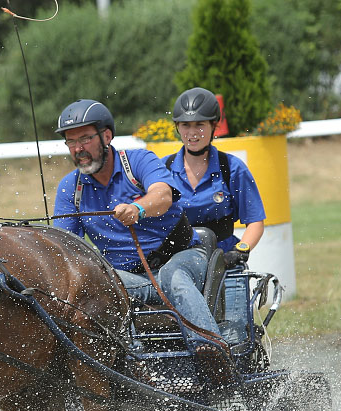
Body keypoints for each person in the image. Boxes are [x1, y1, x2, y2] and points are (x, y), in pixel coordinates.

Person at [51, 98, 224, 341]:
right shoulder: (71, 188)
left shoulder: (139, 161)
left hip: (182, 257)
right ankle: (126, 364)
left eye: (85, 138)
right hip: (128, 278)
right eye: (71, 141)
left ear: (107, 136)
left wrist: (137, 208)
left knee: (175, 280)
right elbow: (64, 248)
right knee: (94, 285)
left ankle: (212, 351)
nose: (78, 148)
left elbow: (163, 194)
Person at [162, 87, 268, 343]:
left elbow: (255, 222)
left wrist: (241, 250)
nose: (192, 132)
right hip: (178, 265)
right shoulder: (162, 170)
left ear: (214, 126)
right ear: (177, 128)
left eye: (200, 124)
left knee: (234, 338)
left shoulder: (232, 168)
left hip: (225, 265)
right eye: (185, 125)